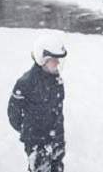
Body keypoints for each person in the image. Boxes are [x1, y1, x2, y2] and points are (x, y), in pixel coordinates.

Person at [8, 34, 67, 172]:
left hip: (56, 139)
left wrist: (58, 137)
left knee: (56, 168)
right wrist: (29, 131)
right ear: (43, 59)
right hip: (36, 142)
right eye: (54, 59)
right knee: (40, 168)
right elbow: (14, 115)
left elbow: (58, 111)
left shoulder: (56, 81)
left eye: (59, 59)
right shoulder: (26, 83)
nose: (58, 63)